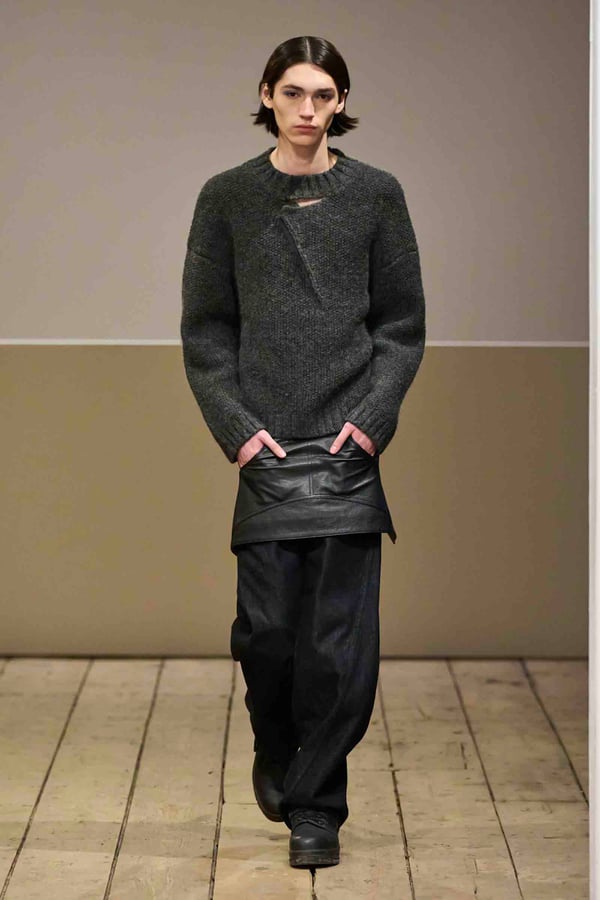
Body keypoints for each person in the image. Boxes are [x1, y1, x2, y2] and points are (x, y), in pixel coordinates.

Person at [180, 35, 426, 869]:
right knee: (267, 635)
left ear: (341, 102)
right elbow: (206, 330)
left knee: (338, 649)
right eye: (294, 93)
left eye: (324, 95)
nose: (309, 110)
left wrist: (371, 418)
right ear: (268, 96)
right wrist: (238, 430)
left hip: (348, 446)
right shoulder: (227, 197)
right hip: (266, 448)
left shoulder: (377, 195)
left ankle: (316, 806)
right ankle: (276, 747)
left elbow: (401, 326)